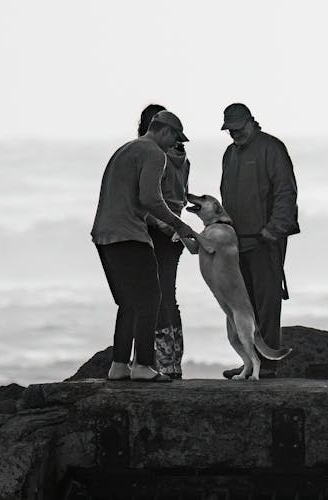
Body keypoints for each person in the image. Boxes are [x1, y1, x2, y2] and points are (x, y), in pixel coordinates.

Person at [91, 110, 196, 382]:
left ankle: (119, 365)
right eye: (174, 136)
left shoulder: (125, 150)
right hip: (130, 236)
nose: (175, 143)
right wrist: (180, 225)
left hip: (104, 235)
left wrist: (161, 224)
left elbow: (131, 199)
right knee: (151, 298)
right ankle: (143, 366)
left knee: (128, 303)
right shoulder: (154, 153)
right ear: (163, 130)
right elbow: (150, 198)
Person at [218, 103, 300, 379]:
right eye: (230, 130)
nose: (234, 135)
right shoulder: (229, 154)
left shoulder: (272, 148)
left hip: (265, 240)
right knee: (243, 305)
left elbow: (285, 192)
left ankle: (269, 365)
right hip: (236, 243)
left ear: (251, 122)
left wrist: (274, 228)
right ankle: (250, 362)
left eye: (239, 129)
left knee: (267, 302)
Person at [137, 104, 190, 379]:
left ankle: (160, 360)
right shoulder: (183, 158)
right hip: (175, 230)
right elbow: (180, 195)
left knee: (154, 295)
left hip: (158, 228)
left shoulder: (156, 157)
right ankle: (173, 359)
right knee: (168, 294)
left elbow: (150, 197)